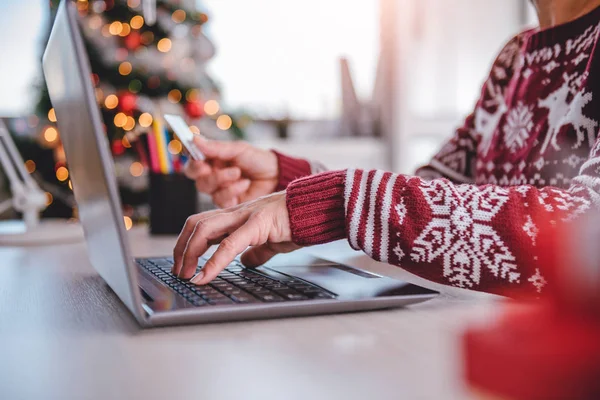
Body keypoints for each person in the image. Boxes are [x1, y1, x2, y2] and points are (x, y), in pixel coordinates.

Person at [172, 0, 600, 298]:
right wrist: (293, 184)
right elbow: (437, 186)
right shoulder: (514, 56)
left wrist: (337, 203)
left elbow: (587, 232)